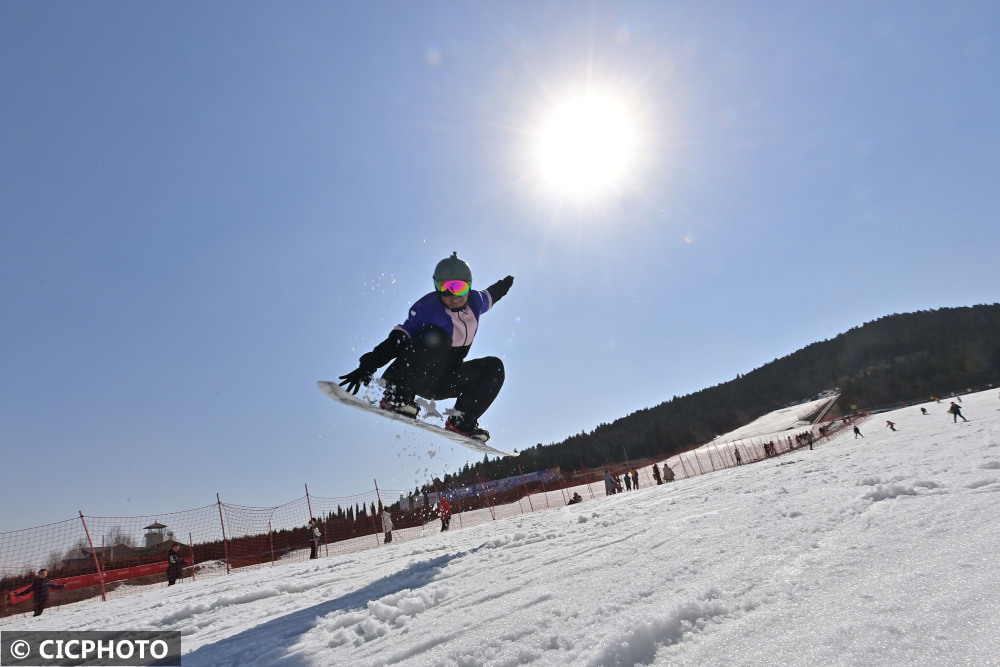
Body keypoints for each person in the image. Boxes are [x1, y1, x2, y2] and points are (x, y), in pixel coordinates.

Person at [339, 253, 514, 442]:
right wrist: (369, 364)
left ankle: (461, 421)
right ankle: (397, 395)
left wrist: (509, 280)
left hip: (446, 380)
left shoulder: (475, 302)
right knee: (437, 337)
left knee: (494, 366)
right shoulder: (427, 308)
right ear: (437, 287)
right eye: (445, 289)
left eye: (460, 287)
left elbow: (493, 293)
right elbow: (398, 340)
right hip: (417, 375)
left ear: (469, 286)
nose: (453, 295)